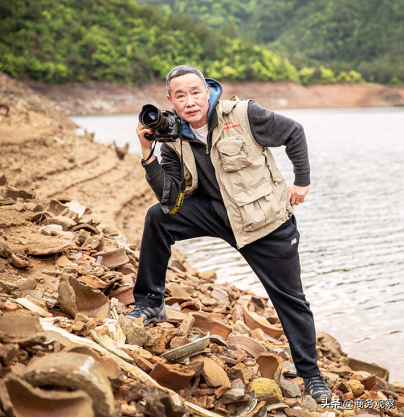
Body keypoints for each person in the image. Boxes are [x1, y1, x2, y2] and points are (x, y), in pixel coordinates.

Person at [128, 65, 332, 402]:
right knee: (157, 218)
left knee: (290, 299)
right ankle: (150, 303)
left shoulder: (244, 114)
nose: (190, 101)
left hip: (264, 223)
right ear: (170, 100)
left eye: (195, 92)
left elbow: (294, 131)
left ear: (207, 91)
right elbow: (170, 198)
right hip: (214, 214)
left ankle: (312, 377)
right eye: (180, 95)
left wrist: (302, 181)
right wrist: (148, 153)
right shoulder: (172, 138)